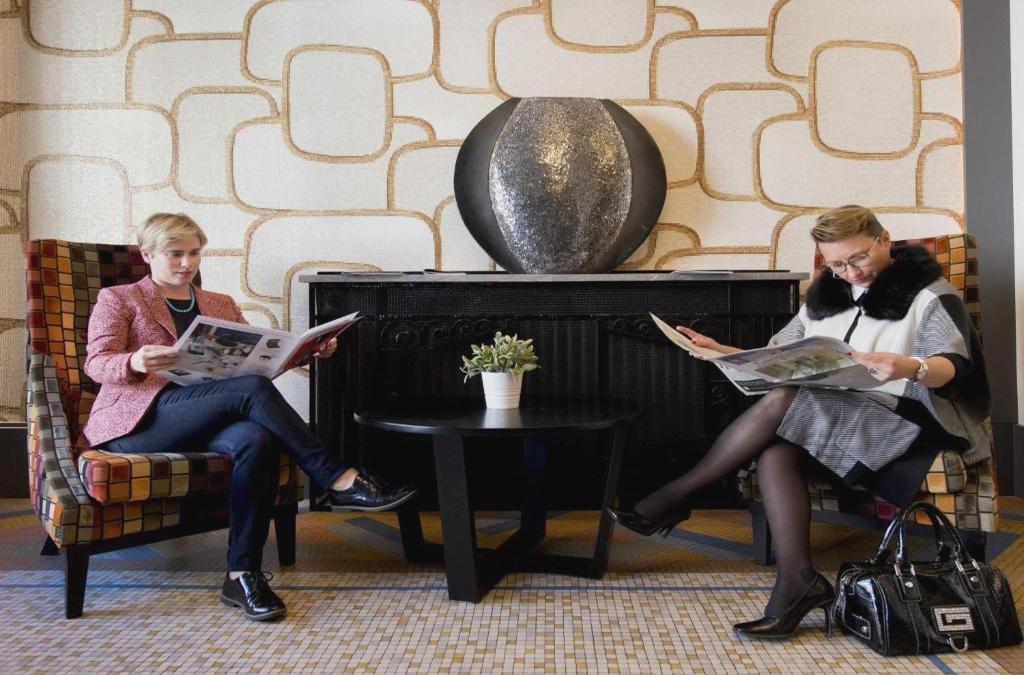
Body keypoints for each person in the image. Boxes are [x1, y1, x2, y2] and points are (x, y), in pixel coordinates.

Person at [610, 205, 991, 639]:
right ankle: (797, 581)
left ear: (884, 239)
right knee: (776, 450)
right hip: (835, 411)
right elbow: (781, 356)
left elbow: (953, 367)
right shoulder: (828, 295)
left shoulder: (930, 294)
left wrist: (910, 366)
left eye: (859, 257)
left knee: (785, 398)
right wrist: (722, 351)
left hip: (906, 419)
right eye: (837, 264)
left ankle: (674, 496)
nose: (850, 272)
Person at [82, 213, 417, 622]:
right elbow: (96, 363)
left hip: (208, 415)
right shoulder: (120, 299)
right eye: (175, 254)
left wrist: (305, 352)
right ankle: (337, 478)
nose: (187, 263)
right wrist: (134, 360)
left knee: (255, 440)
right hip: (141, 422)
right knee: (251, 391)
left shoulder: (219, 303)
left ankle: (242, 574)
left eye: (194, 253)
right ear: (148, 254)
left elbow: (256, 361)